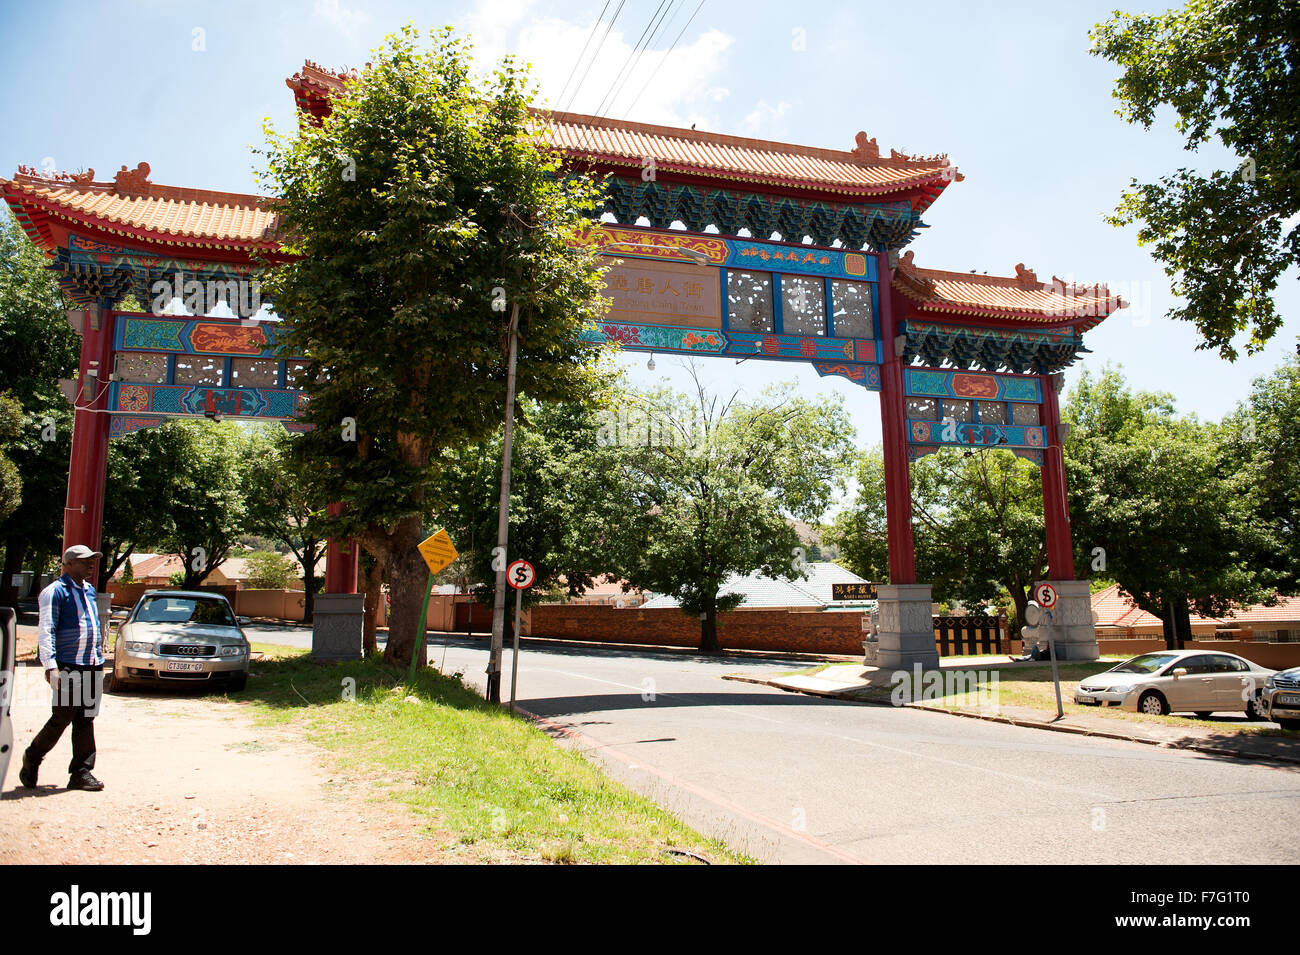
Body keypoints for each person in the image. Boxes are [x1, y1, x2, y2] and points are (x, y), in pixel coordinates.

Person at [18, 545, 106, 791]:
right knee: (62, 718)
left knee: (86, 718)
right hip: (68, 665)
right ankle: (33, 756)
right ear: (68, 563)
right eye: (84, 561)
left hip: (91, 664)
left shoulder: (89, 590)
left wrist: (99, 660)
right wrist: (50, 666)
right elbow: (46, 630)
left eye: (92, 561)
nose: (90, 565)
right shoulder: (54, 592)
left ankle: (81, 772)